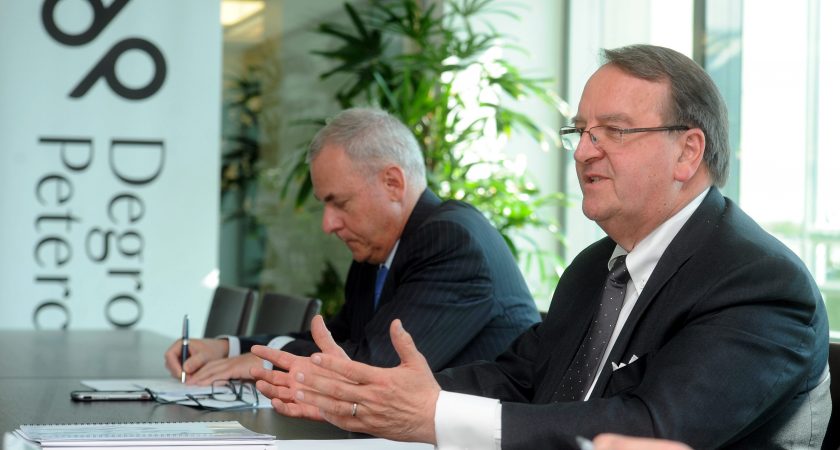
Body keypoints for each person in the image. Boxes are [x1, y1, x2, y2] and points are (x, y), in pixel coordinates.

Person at [249, 44, 831, 449]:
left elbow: (652, 428)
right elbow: (519, 378)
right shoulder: (596, 267)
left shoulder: (757, 281)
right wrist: (376, 394)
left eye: (614, 131)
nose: (583, 152)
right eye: (581, 132)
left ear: (688, 152)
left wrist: (435, 415)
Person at [164, 107, 541, 384]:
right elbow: (337, 340)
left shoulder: (450, 241)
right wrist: (229, 348)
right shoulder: (377, 252)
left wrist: (266, 360)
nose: (328, 224)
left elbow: (373, 367)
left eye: (340, 203)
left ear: (393, 183)